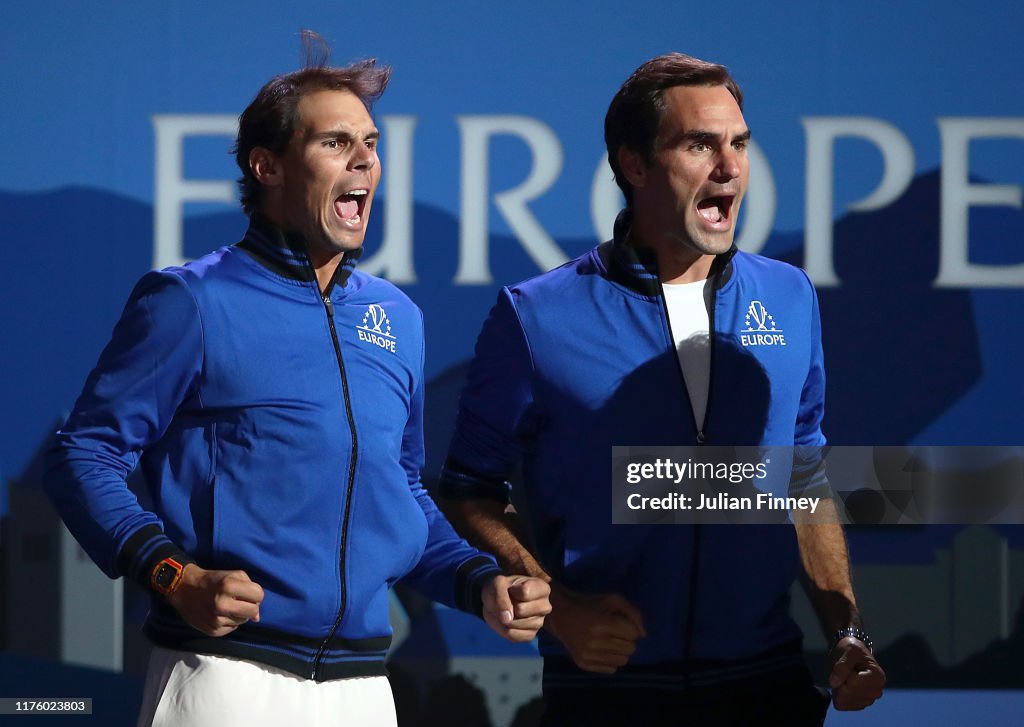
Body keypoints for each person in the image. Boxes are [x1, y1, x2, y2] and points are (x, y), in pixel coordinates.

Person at [43, 34, 550, 727]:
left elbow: (397, 497)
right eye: (336, 142)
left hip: (366, 690)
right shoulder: (191, 301)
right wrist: (174, 574)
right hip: (224, 677)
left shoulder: (397, 319)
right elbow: (83, 453)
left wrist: (477, 581)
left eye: (371, 142)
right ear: (268, 165)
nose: (366, 159)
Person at [438, 53, 884, 725]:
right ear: (635, 165)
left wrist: (847, 629)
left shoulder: (789, 297)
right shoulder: (536, 314)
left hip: (769, 687)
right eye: (699, 144)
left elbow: (803, 473)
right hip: (608, 695)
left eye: (739, 143)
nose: (729, 167)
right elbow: (469, 490)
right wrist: (562, 611)